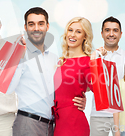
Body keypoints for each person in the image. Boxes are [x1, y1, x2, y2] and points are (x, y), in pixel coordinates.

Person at [10, 7, 86, 136]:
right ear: (25, 27)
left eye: (41, 24)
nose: (36, 28)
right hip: (28, 123)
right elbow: (8, 88)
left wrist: (79, 100)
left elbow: (61, 90)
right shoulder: (20, 55)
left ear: (47, 26)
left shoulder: (55, 59)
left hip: (52, 126)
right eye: (31, 24)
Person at [52, 17, 94, 136]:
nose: (73, 35)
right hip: (57, 122)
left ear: (85, 36)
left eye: (78, 32)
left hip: (74, 124)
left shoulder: (88, 62)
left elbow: (101, 91)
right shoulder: (60, 61)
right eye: (70, 30)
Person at [89, 16, 125, 136]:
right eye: (107, 30)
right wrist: (96, 57)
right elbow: (90, 84)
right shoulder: (95, 56)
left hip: (123, 115)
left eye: (115, 30)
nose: (111, 34)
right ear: (102, 33)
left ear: (120, 34)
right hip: (98, 115)